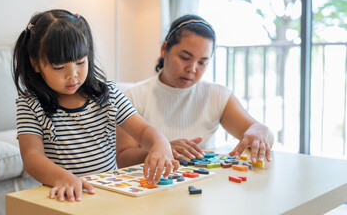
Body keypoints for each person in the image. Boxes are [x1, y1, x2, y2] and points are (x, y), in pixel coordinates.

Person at [13, 9, 178, 202]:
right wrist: (64, 178)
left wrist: (161, 145)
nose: (72, 74)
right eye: (59, 67)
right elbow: (32, 157)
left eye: (80, 62)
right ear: (35, 63)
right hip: (65, 197)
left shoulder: (108, 96)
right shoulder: (30, 104)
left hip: (110, 195)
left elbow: (144, 131)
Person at [116, 14, 274, 168]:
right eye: (185, 57)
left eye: (202, 62)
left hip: (202, 186)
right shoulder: (134, 96)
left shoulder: (217, 96)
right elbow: (123, 158)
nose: (192, 69)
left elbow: (259, 134)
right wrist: (162, 149)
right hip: (152, 187)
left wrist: (261, 130)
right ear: (164, 49)